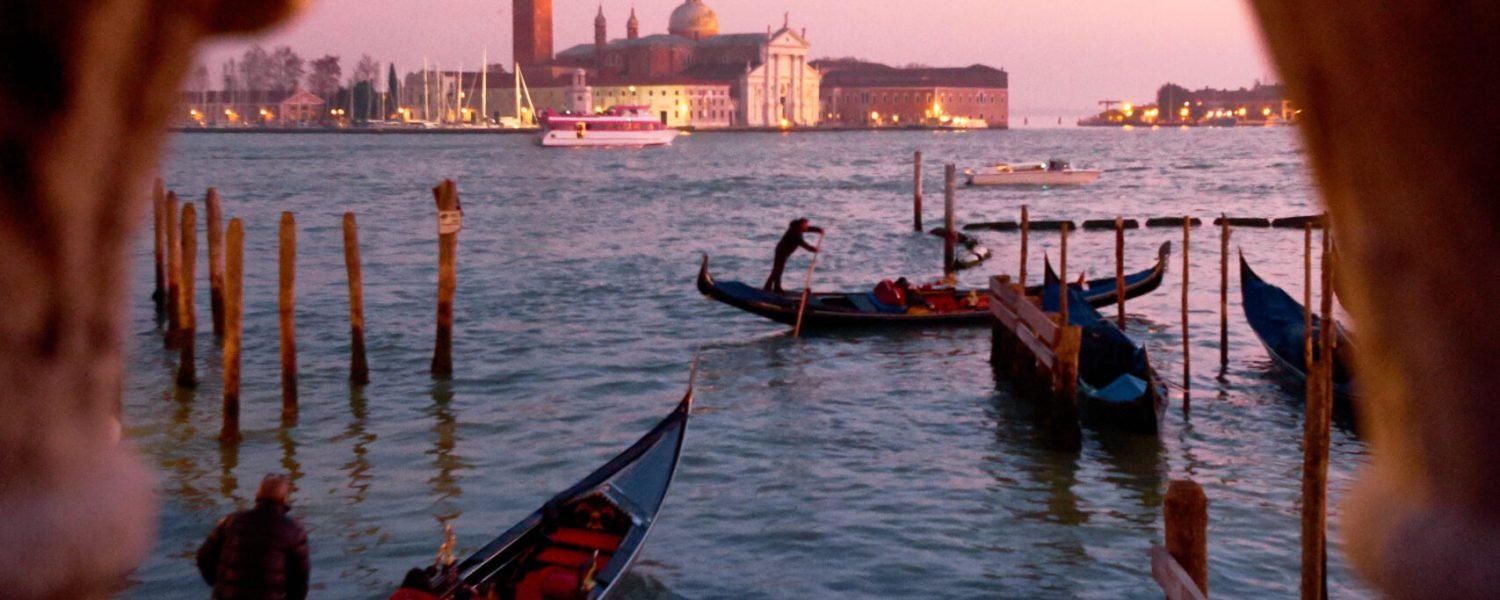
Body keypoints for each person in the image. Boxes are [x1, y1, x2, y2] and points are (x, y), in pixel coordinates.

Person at [197, 473, 310, 600]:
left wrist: (219, 584)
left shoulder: (231, 522)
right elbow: (299, 582)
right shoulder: (294, 530)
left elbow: (203, 556)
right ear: (284, 499)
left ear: (257, 495)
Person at [763, 218, 824, 293]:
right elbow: (803, 244)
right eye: (805, 225)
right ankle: (772, 288)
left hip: (785, 251)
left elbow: (808, 229)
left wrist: (819, 230)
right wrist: (813, 249)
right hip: (782, 251)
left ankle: (771, 288)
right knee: (777, 270)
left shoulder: (798, 228)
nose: (807, 227)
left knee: (777, 270)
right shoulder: (795, 232)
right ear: (801, 225)